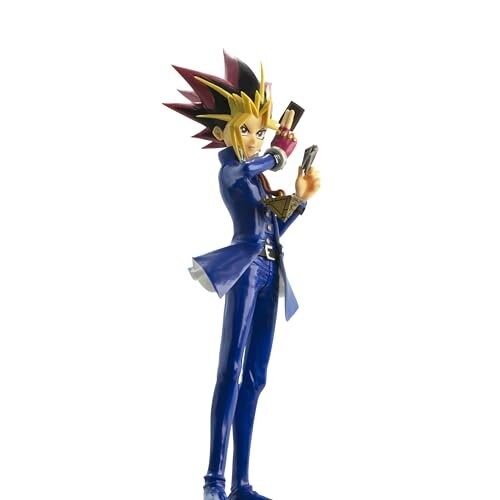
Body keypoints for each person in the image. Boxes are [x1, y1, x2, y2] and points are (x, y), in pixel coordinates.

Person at [165, 51, 320, 500]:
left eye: (260, 131)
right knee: (230, 369)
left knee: (255, 376)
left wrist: (300, 200)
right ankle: (213, 481)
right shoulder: (234, 171)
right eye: (246, 130)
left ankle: (242, 484)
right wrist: (279, 153)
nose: (254, 139)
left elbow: (272, 228)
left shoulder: (259, 180)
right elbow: (255, 166)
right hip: (246, 271)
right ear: (223, 133)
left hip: (271, 270)